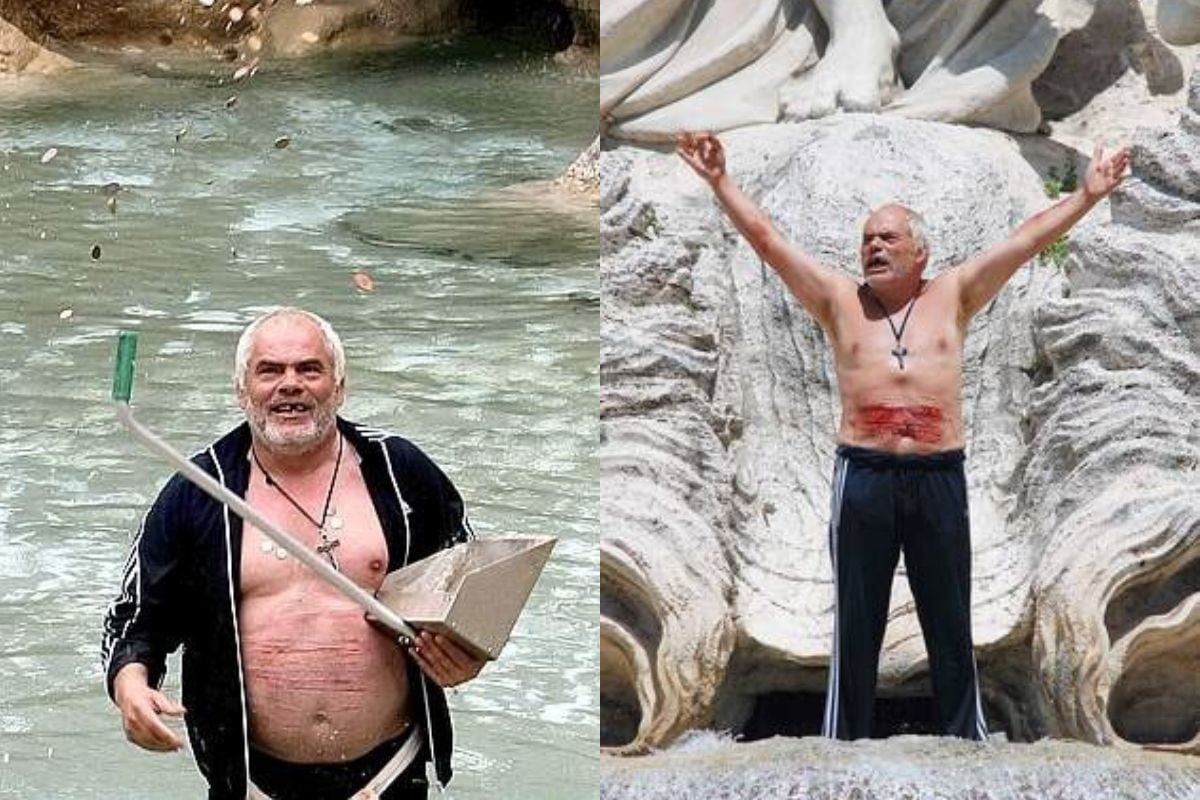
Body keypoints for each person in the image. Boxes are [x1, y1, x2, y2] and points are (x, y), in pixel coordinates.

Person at [677, 132, 1129, 740]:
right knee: (857, 625)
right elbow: (769, 242)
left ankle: (965, 742)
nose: (873, 247)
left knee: (948, 620)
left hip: (939, 476)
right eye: (867, 239)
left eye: (887, 237)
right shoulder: (839, 300)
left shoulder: (955, 294)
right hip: (862, 475)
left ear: (920, 251)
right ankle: (844, 746)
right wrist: (720, 182)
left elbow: (1026, 242)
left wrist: (1087, 195)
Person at [101, 307, 486, 799]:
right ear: (242, 392)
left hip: (391, 770)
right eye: (270, 371)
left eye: (309, 368)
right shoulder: (198, 491)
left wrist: (469, 656)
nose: (290, 384)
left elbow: (471, 582)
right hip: (252, 783)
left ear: (339, 386)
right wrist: (131, 687)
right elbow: (136, 619)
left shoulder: (400, 472)